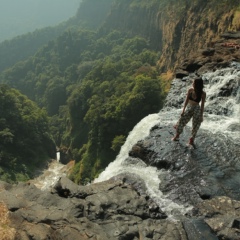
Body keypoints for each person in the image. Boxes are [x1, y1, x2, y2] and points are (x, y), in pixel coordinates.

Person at [172, 77, 206, 145]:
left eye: (194, 82)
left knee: (196, 124)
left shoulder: (203, 93)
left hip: (196, 109)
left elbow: (202, 105)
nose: (192, 83)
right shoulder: (190, 90)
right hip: (189, 107)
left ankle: (192, 139)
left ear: (197, 84)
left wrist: (201, 116)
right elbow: (186, 100)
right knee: (182, 120)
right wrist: (183, 110)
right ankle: (177, 135)